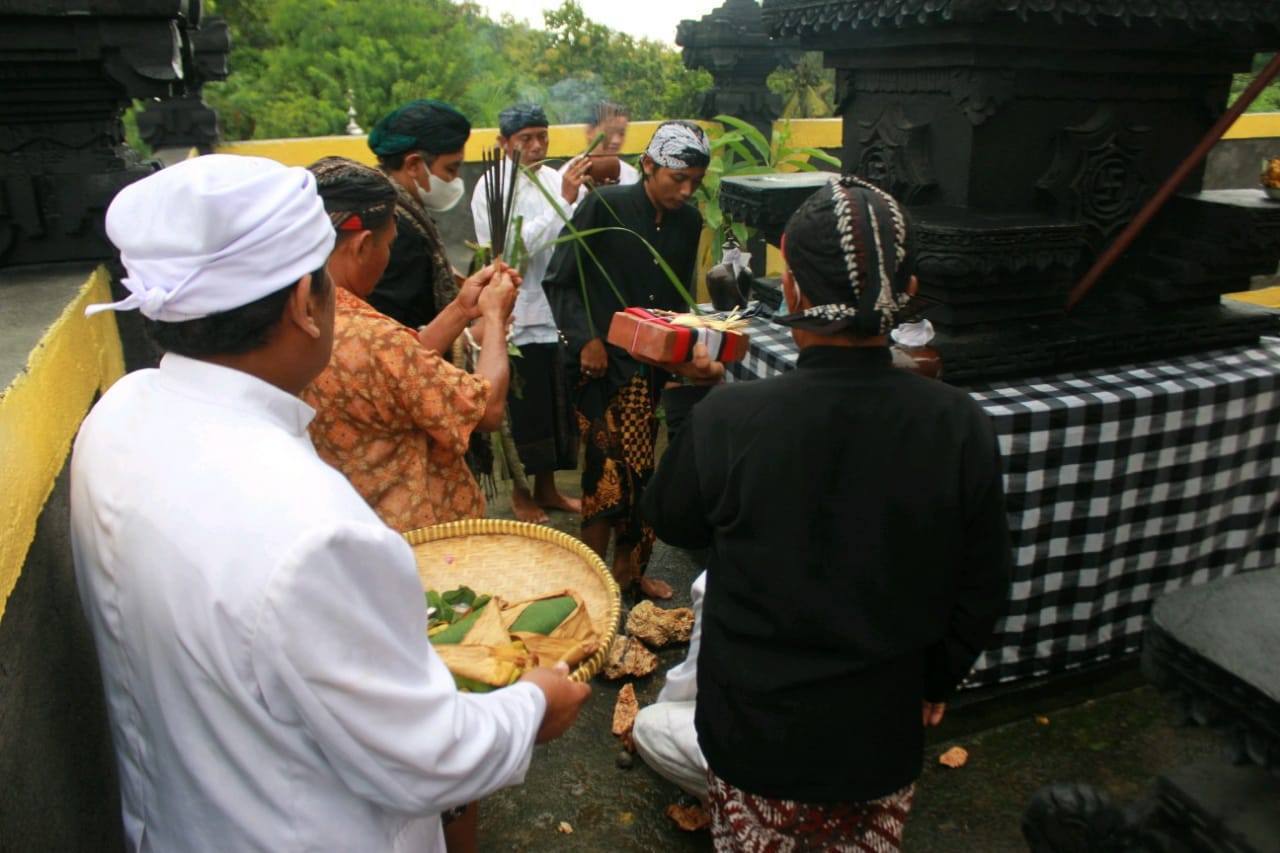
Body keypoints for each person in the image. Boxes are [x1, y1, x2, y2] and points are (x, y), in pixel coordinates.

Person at [70, 154, 590, 852]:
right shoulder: (317, 531)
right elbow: (429, 756)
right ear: (300, 304)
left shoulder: (119, 415)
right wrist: (533, 705)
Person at [640, 175, 1013, 850]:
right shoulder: (958, 422)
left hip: (754, 738)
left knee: (659, 731)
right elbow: (983, 583)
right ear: (908, 293)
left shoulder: (731, 416)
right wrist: (935, 679)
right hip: (880, 741)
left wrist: (692, 399)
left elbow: (674, 520)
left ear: (792, 292)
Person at [544, 120, 715, 600]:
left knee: (641, 474)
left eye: (695, 182)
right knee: (604, 471)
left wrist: (679, 358)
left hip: (648, 370)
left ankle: (630, 572)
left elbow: (675, 303)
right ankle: (590, 579)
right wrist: (586, 340)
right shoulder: (604, 205)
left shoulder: (688, 222)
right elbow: (560, 279)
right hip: (597, 368)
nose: (686, 191)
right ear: (648, 165)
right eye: (677, 179)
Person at [303, 156, 518, 531]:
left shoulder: (301, 316)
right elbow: (486, 411)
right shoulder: (376, 339)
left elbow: (400, 369)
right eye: (388, 244)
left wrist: (460, 309)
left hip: (346, 519)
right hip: (413, 536)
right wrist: (495, 317)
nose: (388, 256)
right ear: (363, 245)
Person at [471, 103, 587, 523]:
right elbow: (513, 251)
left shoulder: (554, 179)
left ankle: (547, 488)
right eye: (526, 139)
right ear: (503, 143)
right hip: (517, 311)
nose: (537, 146)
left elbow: (575, 228)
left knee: (556, 403)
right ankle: (521, 494)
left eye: (543, 136)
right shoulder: (492, 188)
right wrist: (564, 202)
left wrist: (578, 196)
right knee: (522, 407)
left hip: (555, 310)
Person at [366, 98, 472, 331]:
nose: (456, 180)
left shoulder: (386, 205)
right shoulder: (395, 228)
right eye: (451, 169)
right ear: (413, 164)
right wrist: (474, 333)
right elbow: (398, 328)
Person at [632, 570, 708, 802]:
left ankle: (734, 802)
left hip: (786, 777)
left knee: (648, 726)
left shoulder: (726, 576)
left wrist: (660, 706)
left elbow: (692, 681)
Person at [579, 100, 639, 195]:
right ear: (589, 132)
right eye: (609, 132)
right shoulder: (569, 178)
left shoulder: (631, 175)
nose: (616, 141)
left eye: (621, 134)